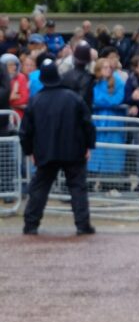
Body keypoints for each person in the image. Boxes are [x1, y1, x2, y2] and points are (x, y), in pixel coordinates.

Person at [20, 60, 96, 236]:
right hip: (73, 150)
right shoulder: (73, 98)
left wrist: (29, 150)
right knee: (77, 188)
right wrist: (88, 145)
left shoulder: (35, 100)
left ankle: (30, 224)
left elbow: (25, 132)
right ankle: (82, 225)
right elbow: (88, 124)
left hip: (45, 152)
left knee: (39, 188)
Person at [89, 58, 127, 175]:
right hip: (97, 123)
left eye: (110, 67)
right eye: (105, 67)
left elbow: (117, 100)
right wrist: (107, 101)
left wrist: (102, 102)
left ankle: (111, 184)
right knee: (95, 156)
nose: (108, 70)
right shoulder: (94, 83)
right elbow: (93, 98)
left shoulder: (119, 82)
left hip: (114, 124)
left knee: (112, 156)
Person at [61, 43, 96, 108]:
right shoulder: (88, 78)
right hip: (81, 114)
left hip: (65, 112)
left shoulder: (64, 76)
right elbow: (84, 100)